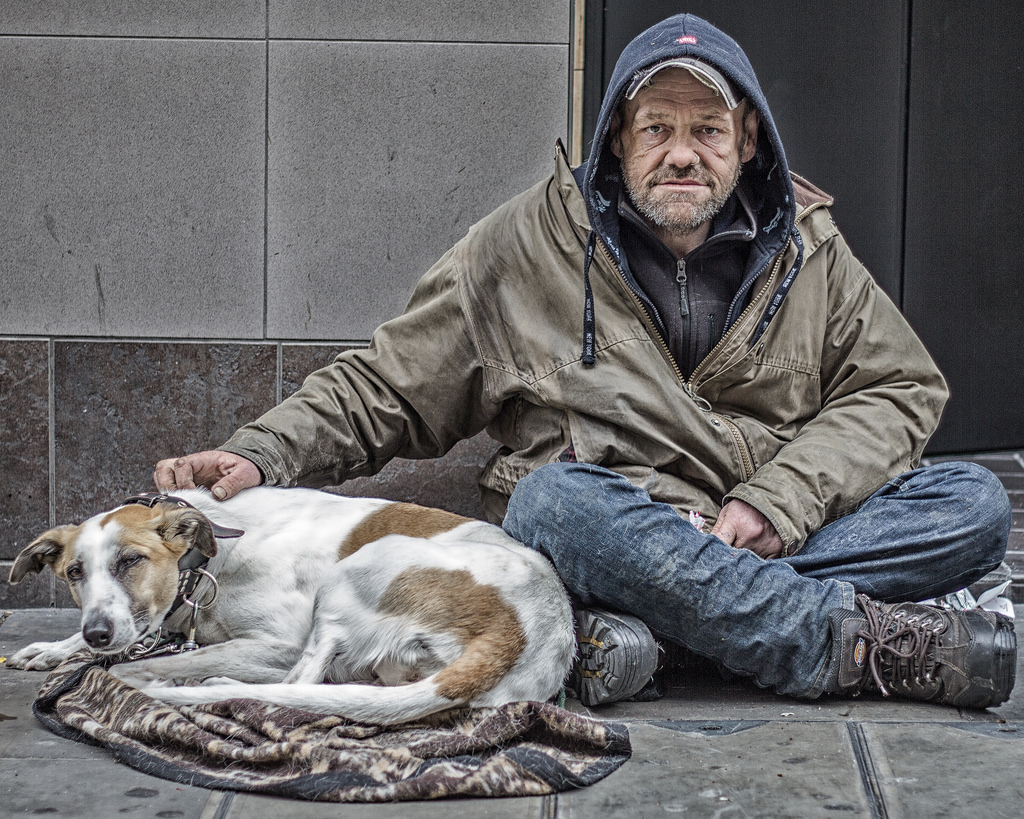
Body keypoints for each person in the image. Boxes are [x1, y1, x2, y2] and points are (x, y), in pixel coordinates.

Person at [155, 14, 1015, 709]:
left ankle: (651, 635)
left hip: (756, 528)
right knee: (552, 504)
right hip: (610, 525)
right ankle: (849, 644)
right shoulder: (523, 244)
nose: (684, 153)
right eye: (658, 129)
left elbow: (900, 387)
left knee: (972, 505)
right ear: (616, 142)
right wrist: (261, 450)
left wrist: (777, 499)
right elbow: (389, 384)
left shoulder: (809, 250)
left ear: (748, 140)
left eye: (709, 130)